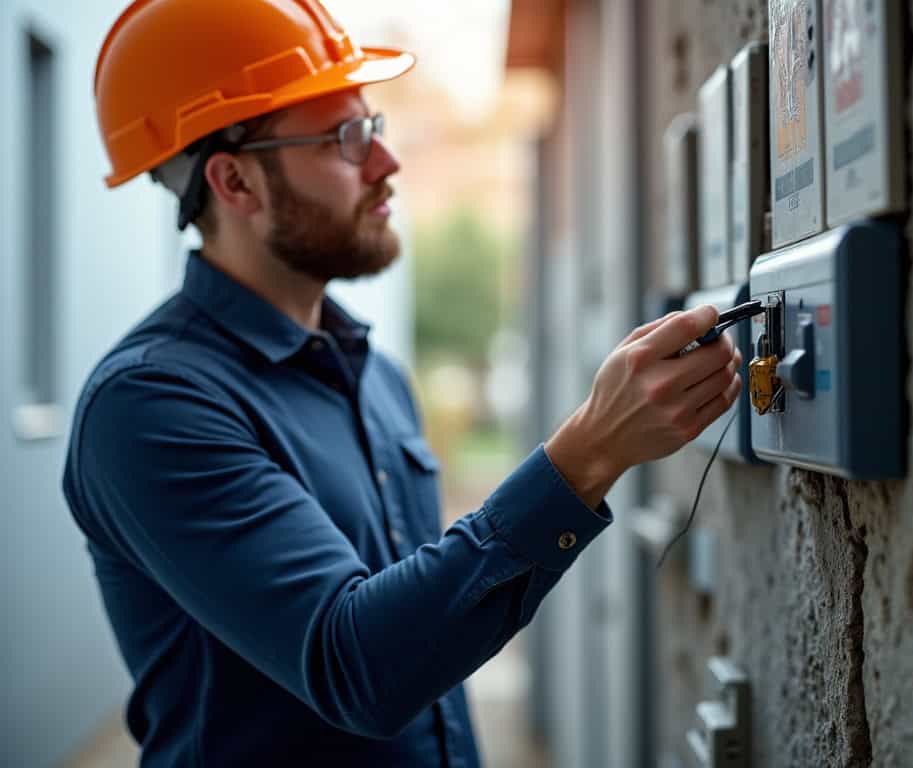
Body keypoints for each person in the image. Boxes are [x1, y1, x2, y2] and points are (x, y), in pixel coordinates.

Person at [63, 1, 741, 765]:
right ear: (235, 182)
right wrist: (584, 455)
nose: (385, 164)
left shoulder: (376, 376)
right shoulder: (152, 406)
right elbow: (359, 669)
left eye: (372, 127)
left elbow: (430, 638)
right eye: (344, 138)